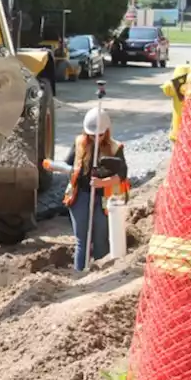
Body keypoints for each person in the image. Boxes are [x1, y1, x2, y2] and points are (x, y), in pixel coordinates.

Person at [62, 108, 128, 271]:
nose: (96, 138)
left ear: (106, 131)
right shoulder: (79, 143)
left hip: (105, 198)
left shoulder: (115, 148)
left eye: (100, 135)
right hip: (80, 196)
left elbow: (122, 174)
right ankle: (80, 275)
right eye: (92, 135)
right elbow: (68, 164)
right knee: (81, 240)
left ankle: (103, 274)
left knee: (101, 239)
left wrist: (103, 182)